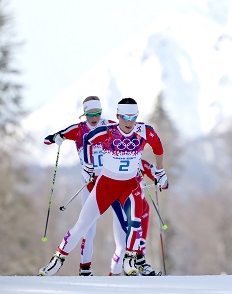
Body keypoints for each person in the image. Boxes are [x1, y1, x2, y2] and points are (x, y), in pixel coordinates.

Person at [39, 98, 168, 276]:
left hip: (130, 186)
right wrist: (87, 165)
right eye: (125, 117)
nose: (129, 122)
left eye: (133, 117)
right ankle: (57, 260)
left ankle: (131, 260)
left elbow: (158, 147)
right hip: (105, 186)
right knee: (82, 225)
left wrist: (160, 172)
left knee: (134, 223)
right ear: (118, 116)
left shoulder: (144, 131)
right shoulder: (106, 131)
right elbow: (88, 140)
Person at [43, 96, 115, 276]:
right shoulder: (78, 129)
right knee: (88, 228)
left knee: (126, 222)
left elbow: (131, 135)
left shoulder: (110, 125)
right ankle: (85, 269)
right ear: (84, 114)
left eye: (97, 113)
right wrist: (56, 137)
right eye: (90, 113)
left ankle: (133, 263)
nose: (94, 117)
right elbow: (47, 139)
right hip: (90, 184)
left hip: (112, 181)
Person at [109, 159, 163, 276]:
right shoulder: (118, 161)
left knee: (140, 240)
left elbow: (164, 184)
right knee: (122, 246)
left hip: (142, 208)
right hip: (124, 207)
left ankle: (140, 264)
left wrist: (157, 174)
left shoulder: (142, 163)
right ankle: (113, 275)